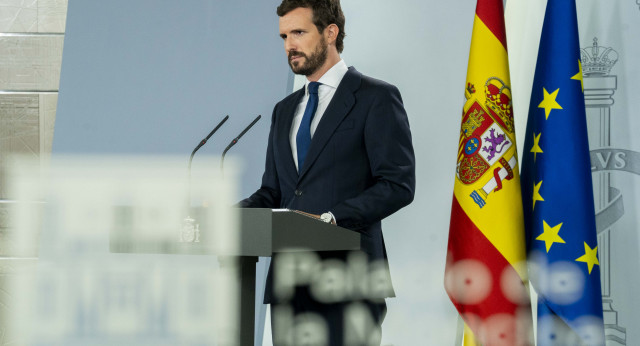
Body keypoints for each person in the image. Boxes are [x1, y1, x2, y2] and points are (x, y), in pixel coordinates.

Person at [239, 0, 415, 344]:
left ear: (330, 32)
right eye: (284, 36)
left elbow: (397, 184)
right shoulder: (285, 110)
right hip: (290, 286)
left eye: (299, 33)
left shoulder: (375, 98)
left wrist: (332, 218)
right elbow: (273, 193)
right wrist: (229, 217)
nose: (290, 45)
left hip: (349, 282)